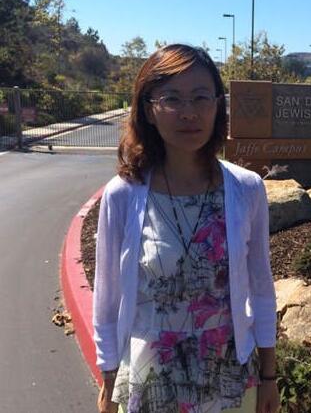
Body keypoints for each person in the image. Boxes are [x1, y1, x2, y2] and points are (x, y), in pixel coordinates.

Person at [93, 44, 279, 413]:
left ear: (217, 105)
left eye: (200, 97)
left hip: (229, 379)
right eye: (172, 99)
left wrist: (270, 376)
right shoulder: (123, 195)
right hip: (151, 382)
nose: (189, 112)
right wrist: (108, 377)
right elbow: (107, 298)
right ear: (149, 109)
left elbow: (261, 288)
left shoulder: (246, 189)